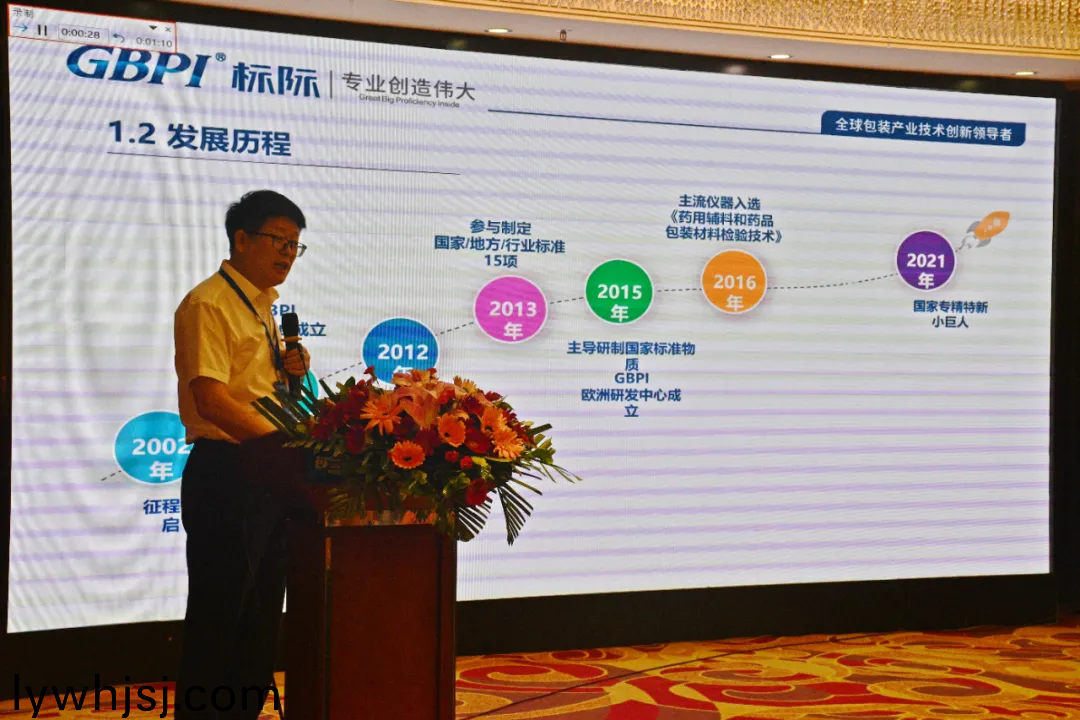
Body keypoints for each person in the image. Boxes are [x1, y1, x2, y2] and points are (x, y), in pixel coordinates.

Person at [173, 190, 312, 719]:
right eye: (279, 241)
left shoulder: (262, 307)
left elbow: (252, 387)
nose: (287, 254)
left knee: (259, 619)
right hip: (227, 471)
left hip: (265, 470)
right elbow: (211, 398)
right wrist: (283, 448)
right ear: (241, 239)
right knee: (220, 617)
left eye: (295, 245)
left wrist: (292, 372)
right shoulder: (209, 303)